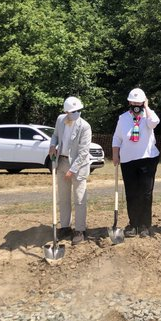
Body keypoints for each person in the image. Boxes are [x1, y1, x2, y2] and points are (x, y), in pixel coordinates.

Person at [112, 88, 160, 238]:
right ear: (129, 102)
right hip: (128, 161)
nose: (135, 105)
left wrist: (146, 107)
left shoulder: (148, 116)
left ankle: (145, 224)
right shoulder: (123, 118)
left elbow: (154, 122)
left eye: (139, 102)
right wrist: (115, 154)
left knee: (145, 193)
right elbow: (117, 138)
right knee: (131, 193)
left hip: (147, 159)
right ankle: (133, 223)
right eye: (133, 102)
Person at [48, 96, 92, 246]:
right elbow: (54, 136)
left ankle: (80, 230)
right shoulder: (60, 120)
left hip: (78, 167)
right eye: (73, 111)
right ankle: (65, 227)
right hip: (62, 163)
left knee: (79, 199)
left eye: (78, 110)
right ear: (66, 112)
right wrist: (52, 146)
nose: (76, 113)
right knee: (63, 198)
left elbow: (84, 152)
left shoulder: (85, 126)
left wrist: (72, 170)